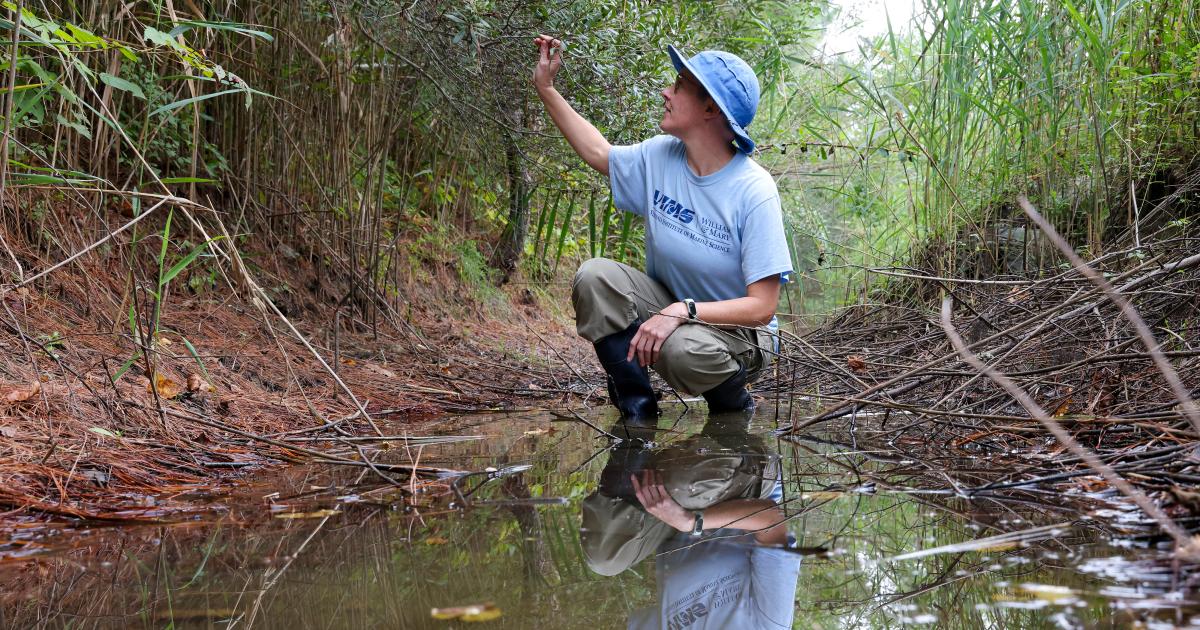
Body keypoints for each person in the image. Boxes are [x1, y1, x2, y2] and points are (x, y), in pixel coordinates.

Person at [532, 35, 792, 419]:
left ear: (710, 109)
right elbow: (598, 153)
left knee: (682, 349)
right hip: (672, 304)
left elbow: (762, 306)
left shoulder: (754, 190)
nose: (665, 91)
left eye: (679, 85)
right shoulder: (661, 156)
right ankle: (638, 412)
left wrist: (681, 311)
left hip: (738, 335)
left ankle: (733, 409)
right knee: (595, 277)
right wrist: (546, 88)